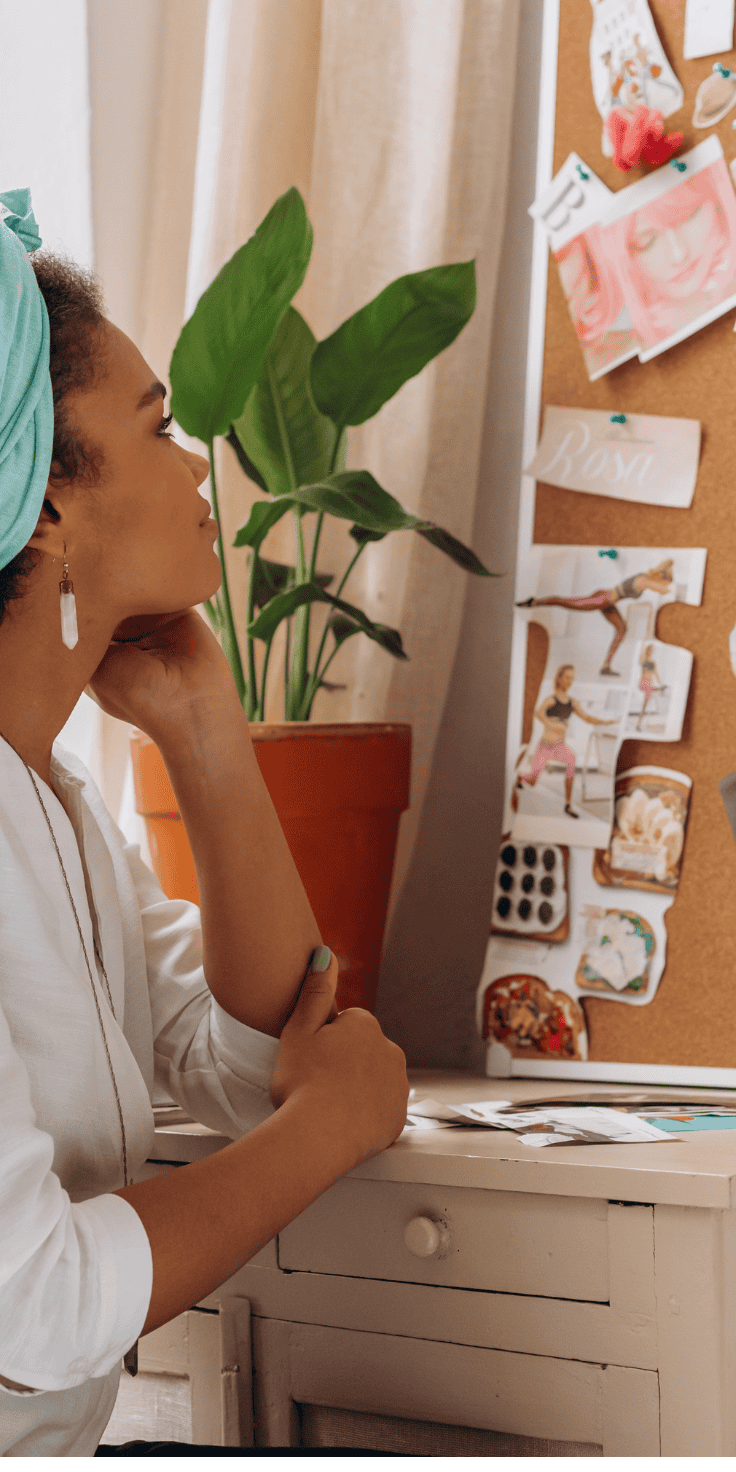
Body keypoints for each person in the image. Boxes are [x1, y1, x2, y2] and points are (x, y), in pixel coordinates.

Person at [0, 191, 409, 1457]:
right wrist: (329, 1125)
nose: (198, 469)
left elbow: (254, 1055)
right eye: (161, 426)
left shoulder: (53, 802)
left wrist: (208, 737)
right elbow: (34, 1309)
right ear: (50, 506)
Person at [516, 559, 674, 676]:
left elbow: (661, 588)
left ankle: (606, 667)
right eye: (665, 580)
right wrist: (671, 586)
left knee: (622, 629)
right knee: (567, 602)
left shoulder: (645, 579)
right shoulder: (644, 580)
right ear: (661, 576)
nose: (665, 583)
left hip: (607, 601)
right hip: (602, 598)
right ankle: (535, 602)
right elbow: (663, 589)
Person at [512, 664, 617, 818]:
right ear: (559, 678)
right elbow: (538, 712)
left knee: (571, 761)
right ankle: (520, 777)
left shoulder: (572, 702)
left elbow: (587, 717)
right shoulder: (551, 699)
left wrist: (608, 722)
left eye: (572, 678)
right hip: (546, 746)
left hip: (560, 747)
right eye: (567, 677)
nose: (570, 681)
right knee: (533, 781)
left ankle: (568, 804)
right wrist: (550, 724)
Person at [636, 643, 666, 730]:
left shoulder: (653, 663)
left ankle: (638, 724)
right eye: (649, 649)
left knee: (644, 706)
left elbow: (656, 674)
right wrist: (644, 642)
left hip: (650, 683)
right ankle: (659, 689)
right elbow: (641, 653)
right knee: (650, 690)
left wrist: (661, 683)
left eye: (652, 650)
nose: (651, 651)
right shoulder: (643, 660)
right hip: (643, 682)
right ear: (647, 650)